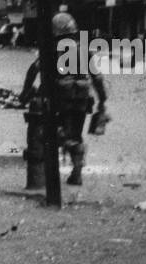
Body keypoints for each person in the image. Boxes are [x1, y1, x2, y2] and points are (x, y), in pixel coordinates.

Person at [19, 12, 108, 187]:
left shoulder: (52, 49)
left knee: (55, 132)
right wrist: (102, 99)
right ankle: (76, 172)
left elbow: (33, 70)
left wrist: (25, 93)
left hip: (59, 97)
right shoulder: (83, 50)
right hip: (82, 99)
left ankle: (54, 169)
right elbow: (97, 77)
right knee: (76, 135)